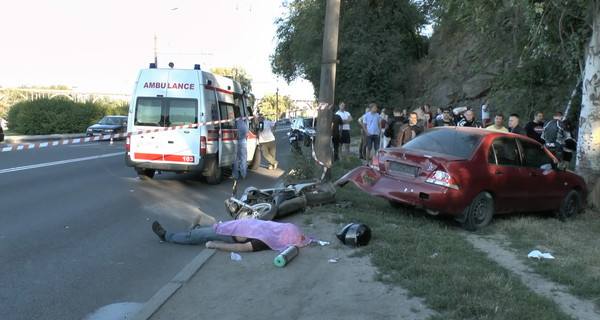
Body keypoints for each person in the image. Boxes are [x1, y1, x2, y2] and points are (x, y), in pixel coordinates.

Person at [151, 213, 315, 252]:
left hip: (229, 234)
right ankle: (197, 228)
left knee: (196, 237)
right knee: (210, 229)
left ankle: (166, 235)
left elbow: (242, 248)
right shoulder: (276, 229)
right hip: (236, 224)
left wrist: (214, 245)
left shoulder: (265, 241)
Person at [232, 107, 248, 180]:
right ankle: (244, 174)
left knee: (235, 159)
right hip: (243, 141)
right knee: (243, 158)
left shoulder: (233, 121)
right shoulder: (243, 120)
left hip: (236, 141)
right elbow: (246, 131)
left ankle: (235, 175)